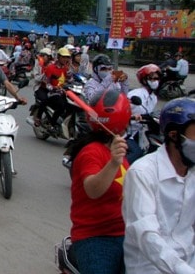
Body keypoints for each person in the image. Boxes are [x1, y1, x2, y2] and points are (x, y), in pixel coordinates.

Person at [122, 97, 195, 274]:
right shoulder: (143, 173)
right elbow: (147, 235)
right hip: (150, 267)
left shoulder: (192, 172)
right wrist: (183, 270)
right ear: (174, 135)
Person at [66, 89, 131, 274]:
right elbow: (92, 190)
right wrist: (113, 163)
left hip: (126, 233)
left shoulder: (116, 147)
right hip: (95, 238)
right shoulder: (92, 151)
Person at [126, 64, 161, 164]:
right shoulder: (135, 95)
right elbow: (122, 111)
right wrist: (132, 117)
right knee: (136, 153)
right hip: (128, 133)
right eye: (152, 78)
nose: (155, 81)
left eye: (157, 78)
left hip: (141, 133)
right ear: (145, 80)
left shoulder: (153, 98)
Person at [42, 47, 72, 131]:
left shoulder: (66, 68)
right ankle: (52, 124)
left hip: (64, 92)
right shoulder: (51, 67)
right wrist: (54, 88)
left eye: (67, 57)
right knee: (61, 106)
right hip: (53, 93)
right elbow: (46, 82)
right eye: (63, 57)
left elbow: (70, 80)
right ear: (58, 57)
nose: (65, 59)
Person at [29, 47, 53, 127]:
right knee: (45, 99)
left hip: (52, 88)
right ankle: (38, 118)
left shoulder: (53, 65)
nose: (43, 57)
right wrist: (45, 74)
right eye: (42, 56)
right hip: (40, 87)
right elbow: (36, 78)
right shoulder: (38, 64)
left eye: (45, 56)